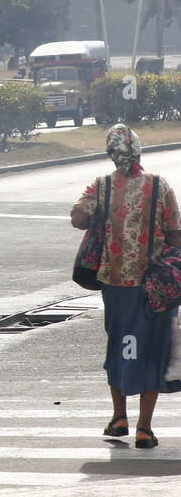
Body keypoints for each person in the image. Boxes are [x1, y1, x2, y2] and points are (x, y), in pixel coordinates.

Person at [71, 124, 181, 449]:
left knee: (120, 345)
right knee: (151, 351)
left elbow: (77, 216)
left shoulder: (101, 186)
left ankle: (119, 417)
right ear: (138, 150)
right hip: (154, 286)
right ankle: (144, 429)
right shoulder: (159, 186)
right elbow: (175, 233)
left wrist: (103, 216)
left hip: (114, 284)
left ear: (110, 153)